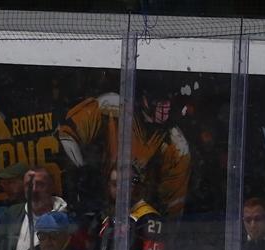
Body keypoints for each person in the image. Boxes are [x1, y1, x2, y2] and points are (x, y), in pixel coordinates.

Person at [57, 76, 191, 219]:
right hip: (98, 208)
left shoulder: (177, 147)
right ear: (142, 97)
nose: (165, 106)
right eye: (159, 99)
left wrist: (152, 224)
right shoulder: (112, 108)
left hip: (141, 218)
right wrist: (82, 171)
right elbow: (66, 134)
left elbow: (172, 209)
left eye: (168, 100)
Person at [88, 167, 166, 250]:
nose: (120, 189)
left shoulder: (148, 219)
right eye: (115, 184)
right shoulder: (107, 216)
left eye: (126, 184)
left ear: (138, 186)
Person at [0, 165, 69, 250]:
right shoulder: (13, 214)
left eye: (40, 184)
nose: (34, 190)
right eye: (29, 185)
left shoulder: (66, 220)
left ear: (52, 188)